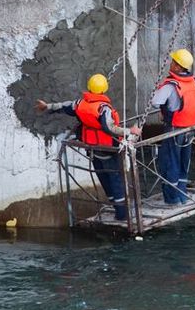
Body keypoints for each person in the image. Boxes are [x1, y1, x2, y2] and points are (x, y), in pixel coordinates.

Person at [36, 74, 140, 221]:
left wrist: (47, 106)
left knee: (103, 177)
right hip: (108, 149)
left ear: (89, 87)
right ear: (104, 89)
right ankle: (122, 214)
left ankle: (115, 205)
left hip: (93, 148)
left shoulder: (79, 104)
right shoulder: (104, 109)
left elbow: (64, 107)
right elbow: (109, 128)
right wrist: (130, 131)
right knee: (115, 179)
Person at [148, 48, 195, 205]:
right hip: (190, 128)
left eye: (173, 62)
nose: (170, 63)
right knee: (183, 161)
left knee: (169, 162)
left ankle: (173, 200)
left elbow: (154, 103)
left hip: (174, 129)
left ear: (179, 67)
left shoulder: (171, 85)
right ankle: (182, 195)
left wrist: (164, 106)